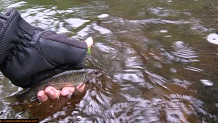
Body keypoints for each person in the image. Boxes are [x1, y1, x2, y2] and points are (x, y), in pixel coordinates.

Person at [0, 8, 93, 102]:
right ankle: (21, 99)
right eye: (95, 73)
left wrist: (16, 49)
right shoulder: (83, 75)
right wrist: (24, 44)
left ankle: (19, 100)